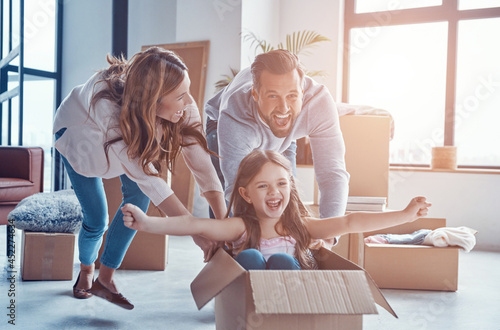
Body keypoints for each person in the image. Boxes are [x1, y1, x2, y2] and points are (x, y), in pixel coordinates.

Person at [53, 47, 226, 309]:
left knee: (138, 203)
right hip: (79, 142)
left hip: (125, 145)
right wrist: (196, 231)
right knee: (97, 220)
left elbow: (202, 164)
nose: (189, 102)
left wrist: (222, 224)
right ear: (153, 100)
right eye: (180, 96)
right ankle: (87, 269)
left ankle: (106, 280)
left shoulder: (181, 107)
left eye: (187, 91)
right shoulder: (109, 112)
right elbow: (150, 180)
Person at [122, 150, 431, 271]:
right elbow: (195, 225)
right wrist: (148, 223)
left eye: (282, 184)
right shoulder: (241, 226)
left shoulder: (302, 228)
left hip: (289, 307)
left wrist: (404, 216)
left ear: (290, 187)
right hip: (250, 309)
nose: (274, 193)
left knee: (283, 258)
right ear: (245, 193)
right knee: (251, 257)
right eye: (263, 186)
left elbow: (351, 221)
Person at [205, 49, 393, 224]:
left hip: (284, 135)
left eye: (292, 96)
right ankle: (222, 251)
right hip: (222, 126)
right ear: (255, 94)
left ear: (302, 92)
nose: (284, 108)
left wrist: (327, 235)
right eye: (273, 96)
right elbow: (237, 189)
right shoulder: (235, 114)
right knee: (228, 211)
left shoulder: (318, 103)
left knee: (287, 198)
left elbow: (332, 173)